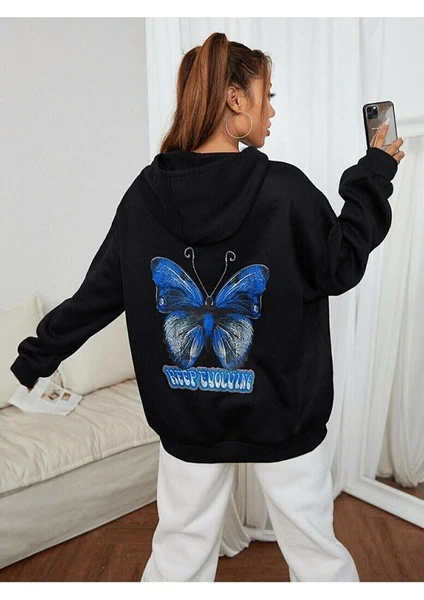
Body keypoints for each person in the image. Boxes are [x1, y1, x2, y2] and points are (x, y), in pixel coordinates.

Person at [11, 32, 405, 582]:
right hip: (282, 412)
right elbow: (340, 265)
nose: (272, 110)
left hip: (186, 411)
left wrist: (35, 356)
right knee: (318, 557)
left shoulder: (144, 196)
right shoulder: (284, 190)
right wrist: (374, 175)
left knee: (179, 556)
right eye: (268, 95)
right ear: (235, 100)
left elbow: (98, 294)